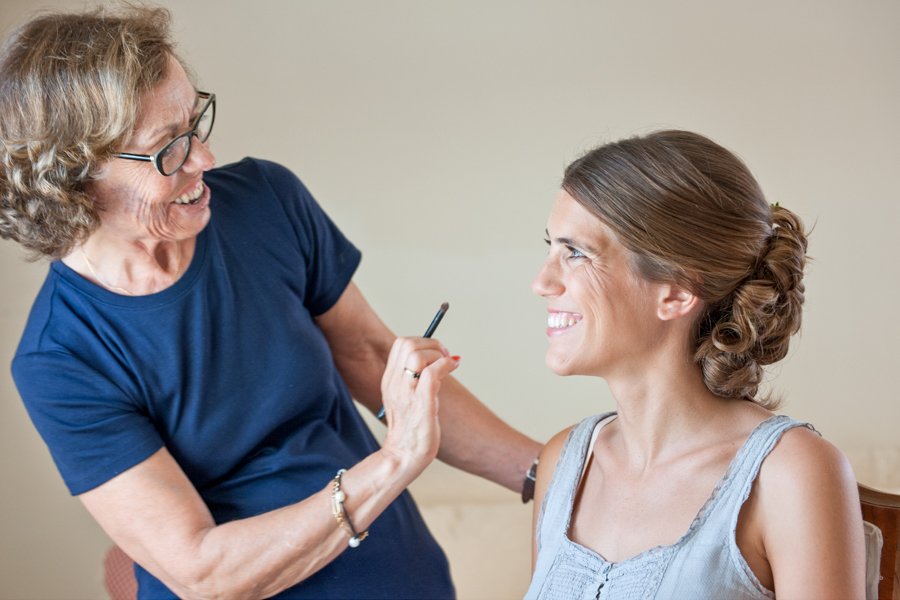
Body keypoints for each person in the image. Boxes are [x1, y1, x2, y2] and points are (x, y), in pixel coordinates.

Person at [0, 6, 541, 599]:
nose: (203, 160)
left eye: (195, 121)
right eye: (167, 150)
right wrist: (396, 461)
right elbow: (205, 572)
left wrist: (550, 476)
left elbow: (370, 354)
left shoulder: (265, 200)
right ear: (74, 180)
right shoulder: (61, 360)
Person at [525, 130, 865, 599]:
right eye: (551, 248)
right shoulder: (564, 462)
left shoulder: (791, 472)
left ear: (678, 291)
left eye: (576, 253)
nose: (541, 282)